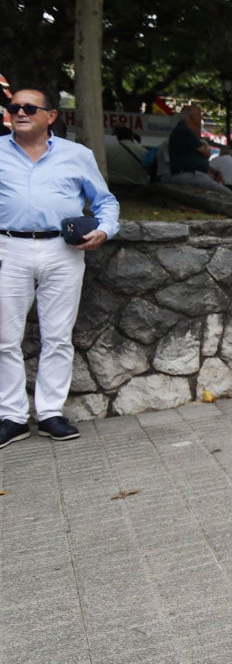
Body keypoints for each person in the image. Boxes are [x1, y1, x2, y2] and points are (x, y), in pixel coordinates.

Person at [0, 89, 119, 448]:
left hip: (62, 250)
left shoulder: (76, 155)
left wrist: (102, 230)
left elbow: (105, 201)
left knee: (57, 336)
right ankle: (12, 416)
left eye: (28, 108)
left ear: (50, 115)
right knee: (4, 339)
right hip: (9, 247)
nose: (19, 112)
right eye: (13, 107)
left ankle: (51, 412)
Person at [167, 105, 223, 191]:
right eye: (199, 114)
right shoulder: (184, 131)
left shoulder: (181, 130)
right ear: (191, 117)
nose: (201, 118)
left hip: (190, 174)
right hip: (191, 175)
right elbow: (206, 153)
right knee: (226, 193)